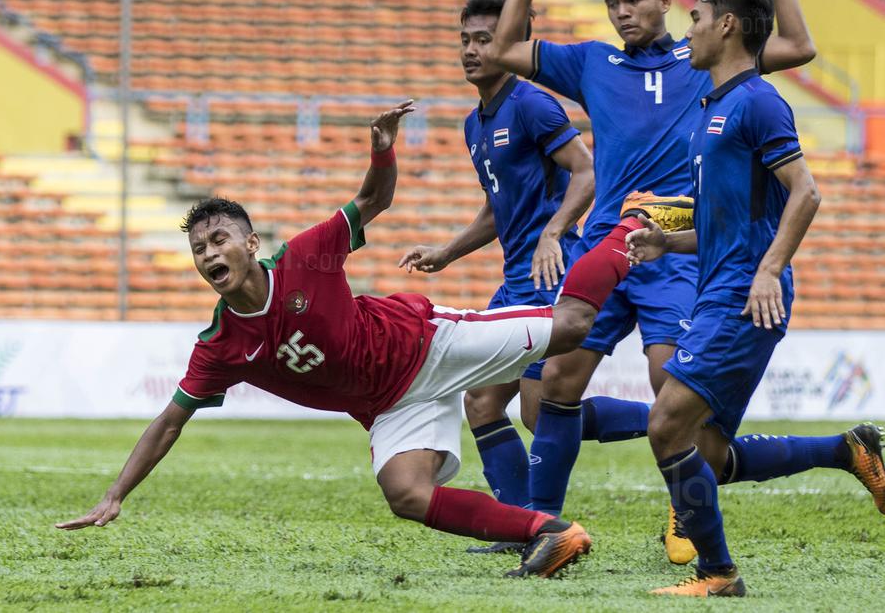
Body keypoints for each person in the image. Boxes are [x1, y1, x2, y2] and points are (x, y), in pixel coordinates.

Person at [59, 99, 696, 578]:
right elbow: (169, 421)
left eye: (219, 239)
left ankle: (630, 221)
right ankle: (550, 532)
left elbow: (375, 198)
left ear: (251, 245)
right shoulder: (219, 345)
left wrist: (382, 148)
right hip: (391, 405)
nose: (209, 253)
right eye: (199, 249)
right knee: (408, 495)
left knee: (573, 327)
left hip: (430, 343)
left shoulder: (306, 255)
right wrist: (114, 495)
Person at [483, 0, 818, 560]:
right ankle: (541, 528)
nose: (621, 12)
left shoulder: (706, 58)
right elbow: (503, 48)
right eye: (612, 3)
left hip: (675, 247)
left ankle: (683, 511)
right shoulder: (591, 63)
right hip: (612, 245)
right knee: (554, 383)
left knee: (673, 392)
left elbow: (799, 45)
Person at [624, 0, 885, 597]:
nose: (687, 30)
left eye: (695, 17)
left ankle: (718, 574)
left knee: (666, 425)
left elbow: (807, 191)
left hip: (743, 293)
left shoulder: (759, 100)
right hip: (722, 284)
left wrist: (768, 270)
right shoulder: (713, 108)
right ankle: (849, 450)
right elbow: (724, 221)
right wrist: (666, 239)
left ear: (728, 24)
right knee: (708, 457)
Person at [397, 0, 593, 545]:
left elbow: (585, 172)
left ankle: (670, 424)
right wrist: (447, 252)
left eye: (483, 39)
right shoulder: (474, 123)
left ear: (512, 43)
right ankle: (524, 524)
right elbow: (496, 206)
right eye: (465, 39)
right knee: (482, 401)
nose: (470, 50)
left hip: (551, 275)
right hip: (514, 281)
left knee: (539, 410)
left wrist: (554, 233)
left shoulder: (533, 104)